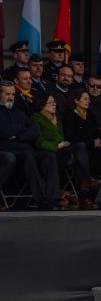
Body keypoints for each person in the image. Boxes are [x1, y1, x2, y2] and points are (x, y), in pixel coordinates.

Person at [32, 93, 101, 210]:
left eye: (54, 102)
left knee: (80, 151)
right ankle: (85, 188)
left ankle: (84, 192)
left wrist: (65, 142)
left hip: (64, 149)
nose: (54, 105)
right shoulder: (36, 119)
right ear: (42, 105)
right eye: (50, 103)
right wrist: (57, 145)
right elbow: (39, 142)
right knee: (80, 153)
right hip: (51, 152)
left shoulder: (57, 117)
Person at [0, 80, 63, 210]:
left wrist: (18, 135)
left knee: (49, 156)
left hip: (24, 148)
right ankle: (41, 199)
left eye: (13, 94)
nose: (11, 97)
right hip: (7, 149)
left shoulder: (18, 112)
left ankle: (53, 198)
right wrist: (21, 130)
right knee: (28, 155)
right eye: (7, 94)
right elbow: (4, 130)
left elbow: (33, 131)